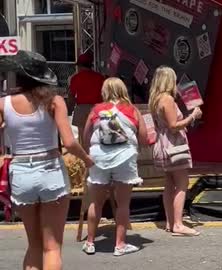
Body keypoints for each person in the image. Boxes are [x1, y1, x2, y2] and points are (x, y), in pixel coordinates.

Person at [0, 50, 94, 269]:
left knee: (34, 245)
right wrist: (87, 159)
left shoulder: (4, 104)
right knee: (52, 247)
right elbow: (69, 142)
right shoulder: (54, 101)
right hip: (51, 169)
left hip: (21, 172)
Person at [82, 77, 147, 256]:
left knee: (96, 202)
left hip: (99, 157)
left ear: (104, 91)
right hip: (125, 156)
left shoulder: (96, 109)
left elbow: (86, 137)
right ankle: (120, 245)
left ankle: (89, 242)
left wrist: (91, 153)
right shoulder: (132, 110)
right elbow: (144, 139)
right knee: (123, 204)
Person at [148, 66, 202, 236]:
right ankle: (178, 224)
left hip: (162, 144)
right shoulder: (167, 100)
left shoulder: (155, 100)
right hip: (173, 145)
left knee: (170, 184)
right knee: (182, 183)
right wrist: (192, 116)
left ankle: (170, 222)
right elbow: (173, 126)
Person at [68, 52, 105, 142]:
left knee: (83, 136)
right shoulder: (100, 77)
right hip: (97, 109)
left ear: (80, 66)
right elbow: (104, 94)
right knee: (98, 134)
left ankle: (85, 154)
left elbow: (71, 96)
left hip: (81, 108)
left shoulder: (75, 78)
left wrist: (69, 109)